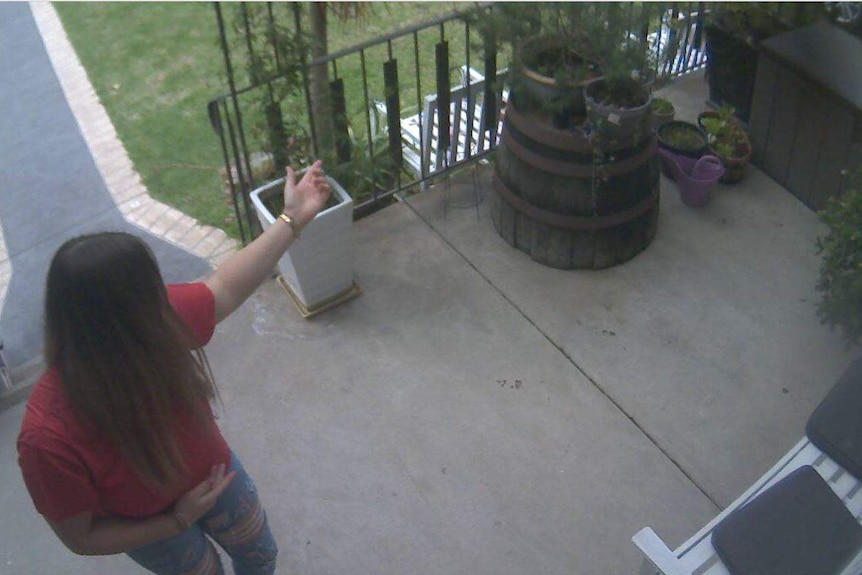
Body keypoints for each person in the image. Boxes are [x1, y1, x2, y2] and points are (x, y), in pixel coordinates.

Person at [17, 161, 331, 575]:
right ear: (124, 319)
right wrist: (176, 520)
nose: (163, 301)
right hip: (151, 528)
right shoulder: (47, 438)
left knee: (260, 556)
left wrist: (293, 217)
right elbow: (81, 537)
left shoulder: (154, 324)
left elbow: (223, 288)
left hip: (219, 478)